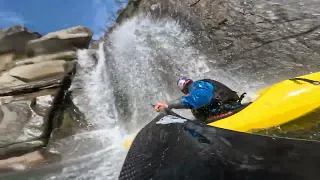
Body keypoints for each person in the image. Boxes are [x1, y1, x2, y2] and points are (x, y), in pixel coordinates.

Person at [154, 77, 242, 121]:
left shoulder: (197, 85)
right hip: (228, 109)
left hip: (231, 110)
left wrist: (168, 105)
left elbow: (199, 99)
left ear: (184, 90)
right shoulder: (200, 86)